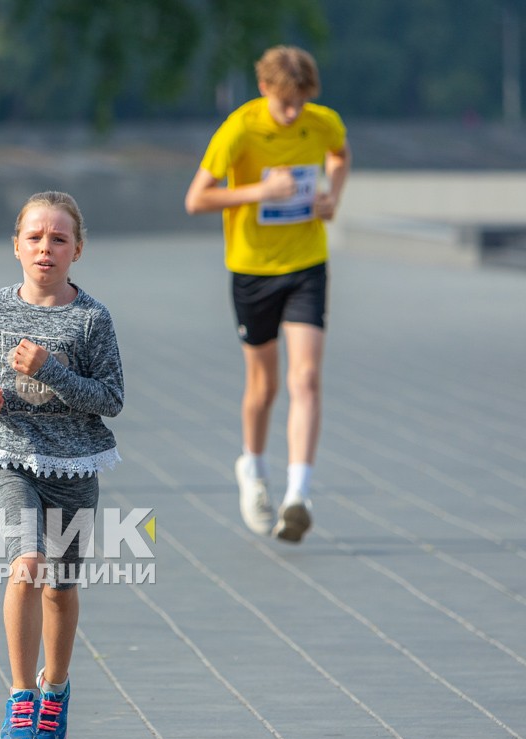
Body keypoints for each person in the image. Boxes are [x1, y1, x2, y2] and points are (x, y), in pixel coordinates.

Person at [0, 191, 124, 739]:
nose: (45, 249)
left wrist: (50, 370)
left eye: (58, 239)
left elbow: (112, 399)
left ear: (77, 249)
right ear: (16, 246)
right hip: (7, 454)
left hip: (74, 466)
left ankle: (56, 688)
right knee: (25, 564)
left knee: (60, 586)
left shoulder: (91, 320)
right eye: (34, 237)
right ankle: (21, 694)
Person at [184, 45, 350, 543]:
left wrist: (331, 196)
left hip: (306, 265)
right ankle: (252, 469)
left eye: (301, 101)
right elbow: (196, 199)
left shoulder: (322, 123)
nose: (295, 111)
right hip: (253, 269)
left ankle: (299, 496)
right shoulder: (239, 128)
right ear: (265, 90)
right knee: (265, 386)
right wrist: (259, 192)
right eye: (286, 103)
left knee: (307, 378)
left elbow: (339, 154)